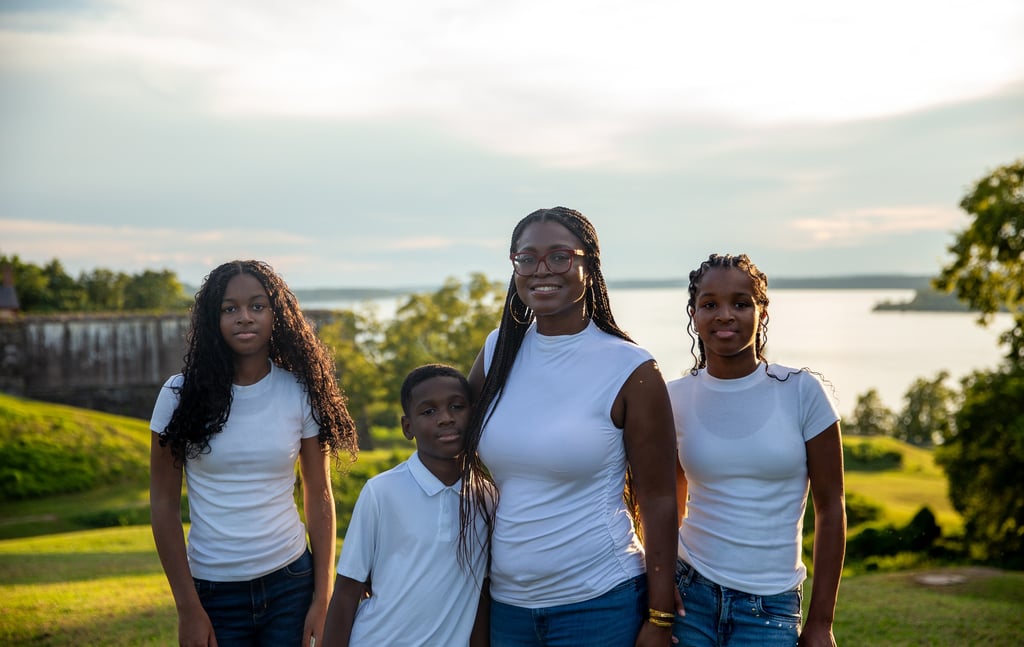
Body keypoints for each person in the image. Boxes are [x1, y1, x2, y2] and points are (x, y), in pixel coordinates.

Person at [459, 206, 678, 647]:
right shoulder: (498, 349)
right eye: (527, 258)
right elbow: (451, 446)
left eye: (560, 256)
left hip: (600, 602)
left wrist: (659, 617)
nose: (542, 270)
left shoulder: (630, 368)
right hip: (509, 605)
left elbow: (658, 497)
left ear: (588, 265)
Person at [150, 259, 358, 647]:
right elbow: (162, 504)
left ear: (276, 314)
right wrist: (188, 608)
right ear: (214, 319)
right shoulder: (179, 396)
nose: (244, 317)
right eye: (230, 308)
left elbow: (320, 495)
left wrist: (322, 596)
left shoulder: (299, 391)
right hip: (212, 593)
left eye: (257, 306)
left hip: (290, 585)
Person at [668, 253, 846, 647]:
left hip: (771, 607)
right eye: (710, 304)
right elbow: (667, 501)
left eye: (741, 303)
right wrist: (662, 581)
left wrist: (821, 623)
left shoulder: (802, 392)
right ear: (694, 316)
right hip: (689, 595)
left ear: (762, 312)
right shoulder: (674, 398)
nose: (725, 315)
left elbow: (831, 507)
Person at [322, 363, 492, 647]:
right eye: (429, 411)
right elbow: (346, 592)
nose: (445, 418)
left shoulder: (486, 499)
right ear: (407, 426)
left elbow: (481, 598)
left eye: (457, 406)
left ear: (474, 413)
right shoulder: (382, 491)